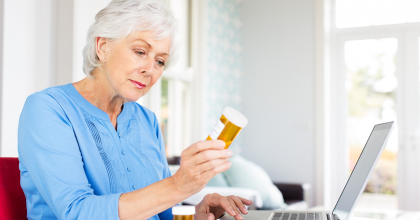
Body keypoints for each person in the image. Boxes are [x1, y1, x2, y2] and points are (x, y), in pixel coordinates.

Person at [17, 0, 251, 219]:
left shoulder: (147, 121)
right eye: (140, 52)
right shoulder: (48, 109)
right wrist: (177, 186)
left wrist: (197, 212)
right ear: (103, 47)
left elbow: (160, 213)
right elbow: (76, 212)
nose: (150, 69)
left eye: (160, 61)